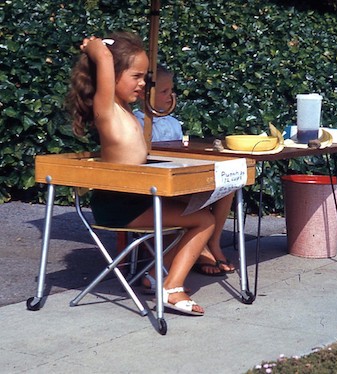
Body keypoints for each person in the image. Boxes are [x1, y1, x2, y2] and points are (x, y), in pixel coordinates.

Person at [65, 31, 212, 316]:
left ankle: (157, 275)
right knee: (203, 220)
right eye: (136, 76)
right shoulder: (106, 110)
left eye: (145, 77)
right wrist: (95, 47)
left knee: (200, 203)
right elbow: (105, 57)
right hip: (119, 205)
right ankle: (171, 288)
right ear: (112, 75)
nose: (143, 83)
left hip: (135, 200)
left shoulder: (126, 111)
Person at [134, 65, 236, 276]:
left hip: (177, 181)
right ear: (145, 95)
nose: (170, 96)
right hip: (154, 188)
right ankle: (202, 248)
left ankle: (213, 242)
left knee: (228, 184)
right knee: (198, 200)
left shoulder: (173, 123)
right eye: (163, 91)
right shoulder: (137, 122)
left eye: (171, 90)